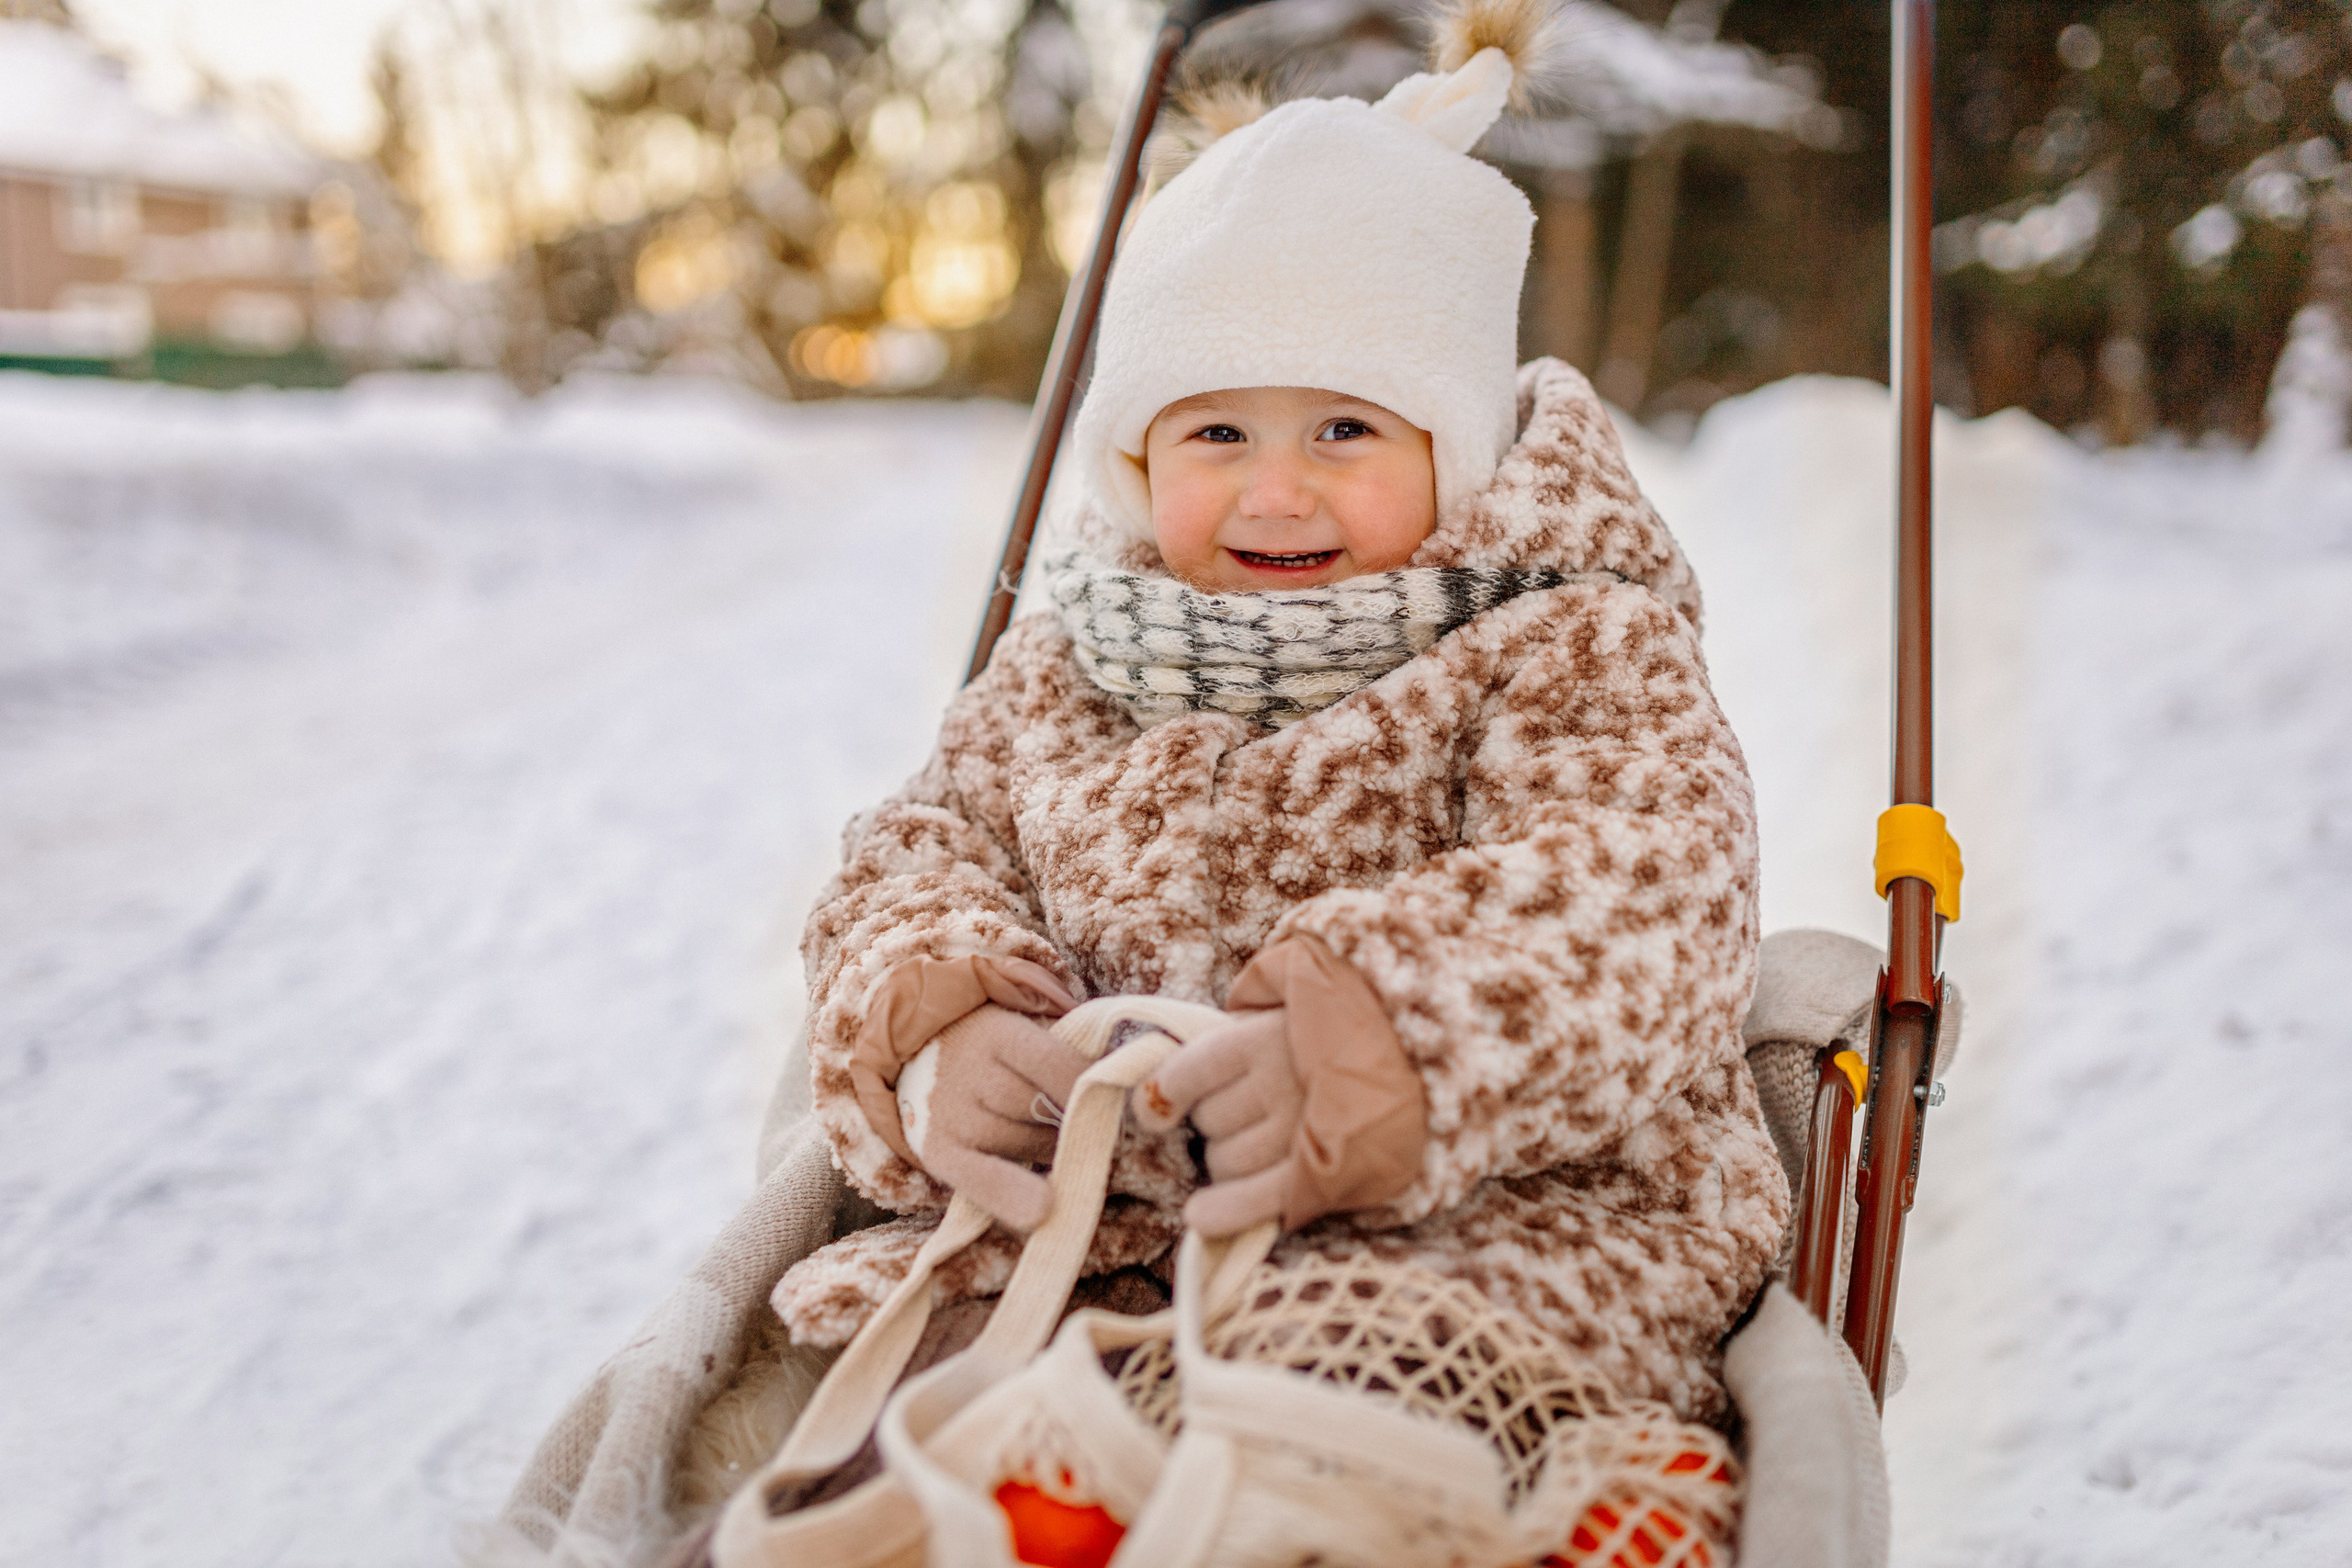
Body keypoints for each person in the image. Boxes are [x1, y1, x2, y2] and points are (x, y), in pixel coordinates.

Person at [772, 1, 1788, 1427]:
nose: (1274, 491)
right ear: (1138, 454)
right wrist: (938, 1015)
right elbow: (923, 843)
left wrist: (1392, 1031)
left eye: (1346, 429)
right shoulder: (1074, 659)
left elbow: (1651, 883)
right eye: (1216, 433)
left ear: (1457, 442)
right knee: (862, 1394)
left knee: (1358, 1389)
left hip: (1488, 1227)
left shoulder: (1565, 636)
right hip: (1089, 1230)